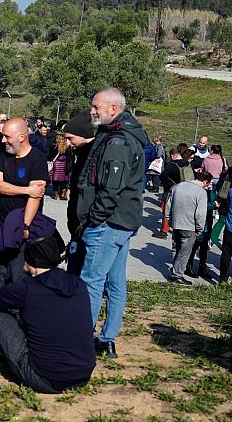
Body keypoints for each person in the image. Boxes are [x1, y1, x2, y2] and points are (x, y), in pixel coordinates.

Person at [0, 236, 96, 393]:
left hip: (45, 378)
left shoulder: (28, 287)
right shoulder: (77, 284)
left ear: (31, 259)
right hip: (83, 374)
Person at [76, 88, 146, 359]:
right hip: (121, 223)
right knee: (116, 282)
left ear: (113, 109)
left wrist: (93, 220)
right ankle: (107, 339)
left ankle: (83, 338)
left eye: (96, 107)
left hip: (108, 224)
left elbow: (110, 189)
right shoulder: (120, 135)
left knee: (91, 281)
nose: (92, 110)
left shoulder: (119, 142)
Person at [0, 118, 49, 290]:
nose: (3, 140)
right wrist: (27, 190)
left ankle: (17, 312)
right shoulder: (2, 156)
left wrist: (25, 226)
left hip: (22, 227)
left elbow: (36, 198)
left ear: (21, 136)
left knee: (18, 274)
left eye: (7, 136)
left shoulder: (38, 159)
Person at [62, 112, 96, 274]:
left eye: (70, 138)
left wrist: (84, 221)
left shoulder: (93, 157)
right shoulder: (80, 155)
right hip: (77, 225)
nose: (67, 143)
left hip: (86, 225)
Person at [166, 171, 212, 286]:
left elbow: (169, 204)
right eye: (207, 184)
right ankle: (177, 275)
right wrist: (199, 228)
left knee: (176, 248)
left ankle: (175, 268)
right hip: (189, 225)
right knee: (185, 251)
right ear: (205, 182)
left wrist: (169, 218)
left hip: (176, 222)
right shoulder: (201, 192)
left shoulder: (179, 186)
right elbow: (200, 214)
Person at [153, 148, 190, 239]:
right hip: (184, 190)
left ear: (172, 155)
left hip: (170, 190)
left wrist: (166, 184)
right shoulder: (187, 164)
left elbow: (163, 176)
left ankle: (164, 231)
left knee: (166, 209)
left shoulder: (171, 165)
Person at [48, 133, 72, 200]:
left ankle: (55, 193)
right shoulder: (67, 148)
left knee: (55, 180)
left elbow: (49, 157)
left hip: (56, 166)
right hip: (64, 166)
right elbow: (69, 157)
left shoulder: (54, 147)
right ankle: (63, 193)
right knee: (63, 180)